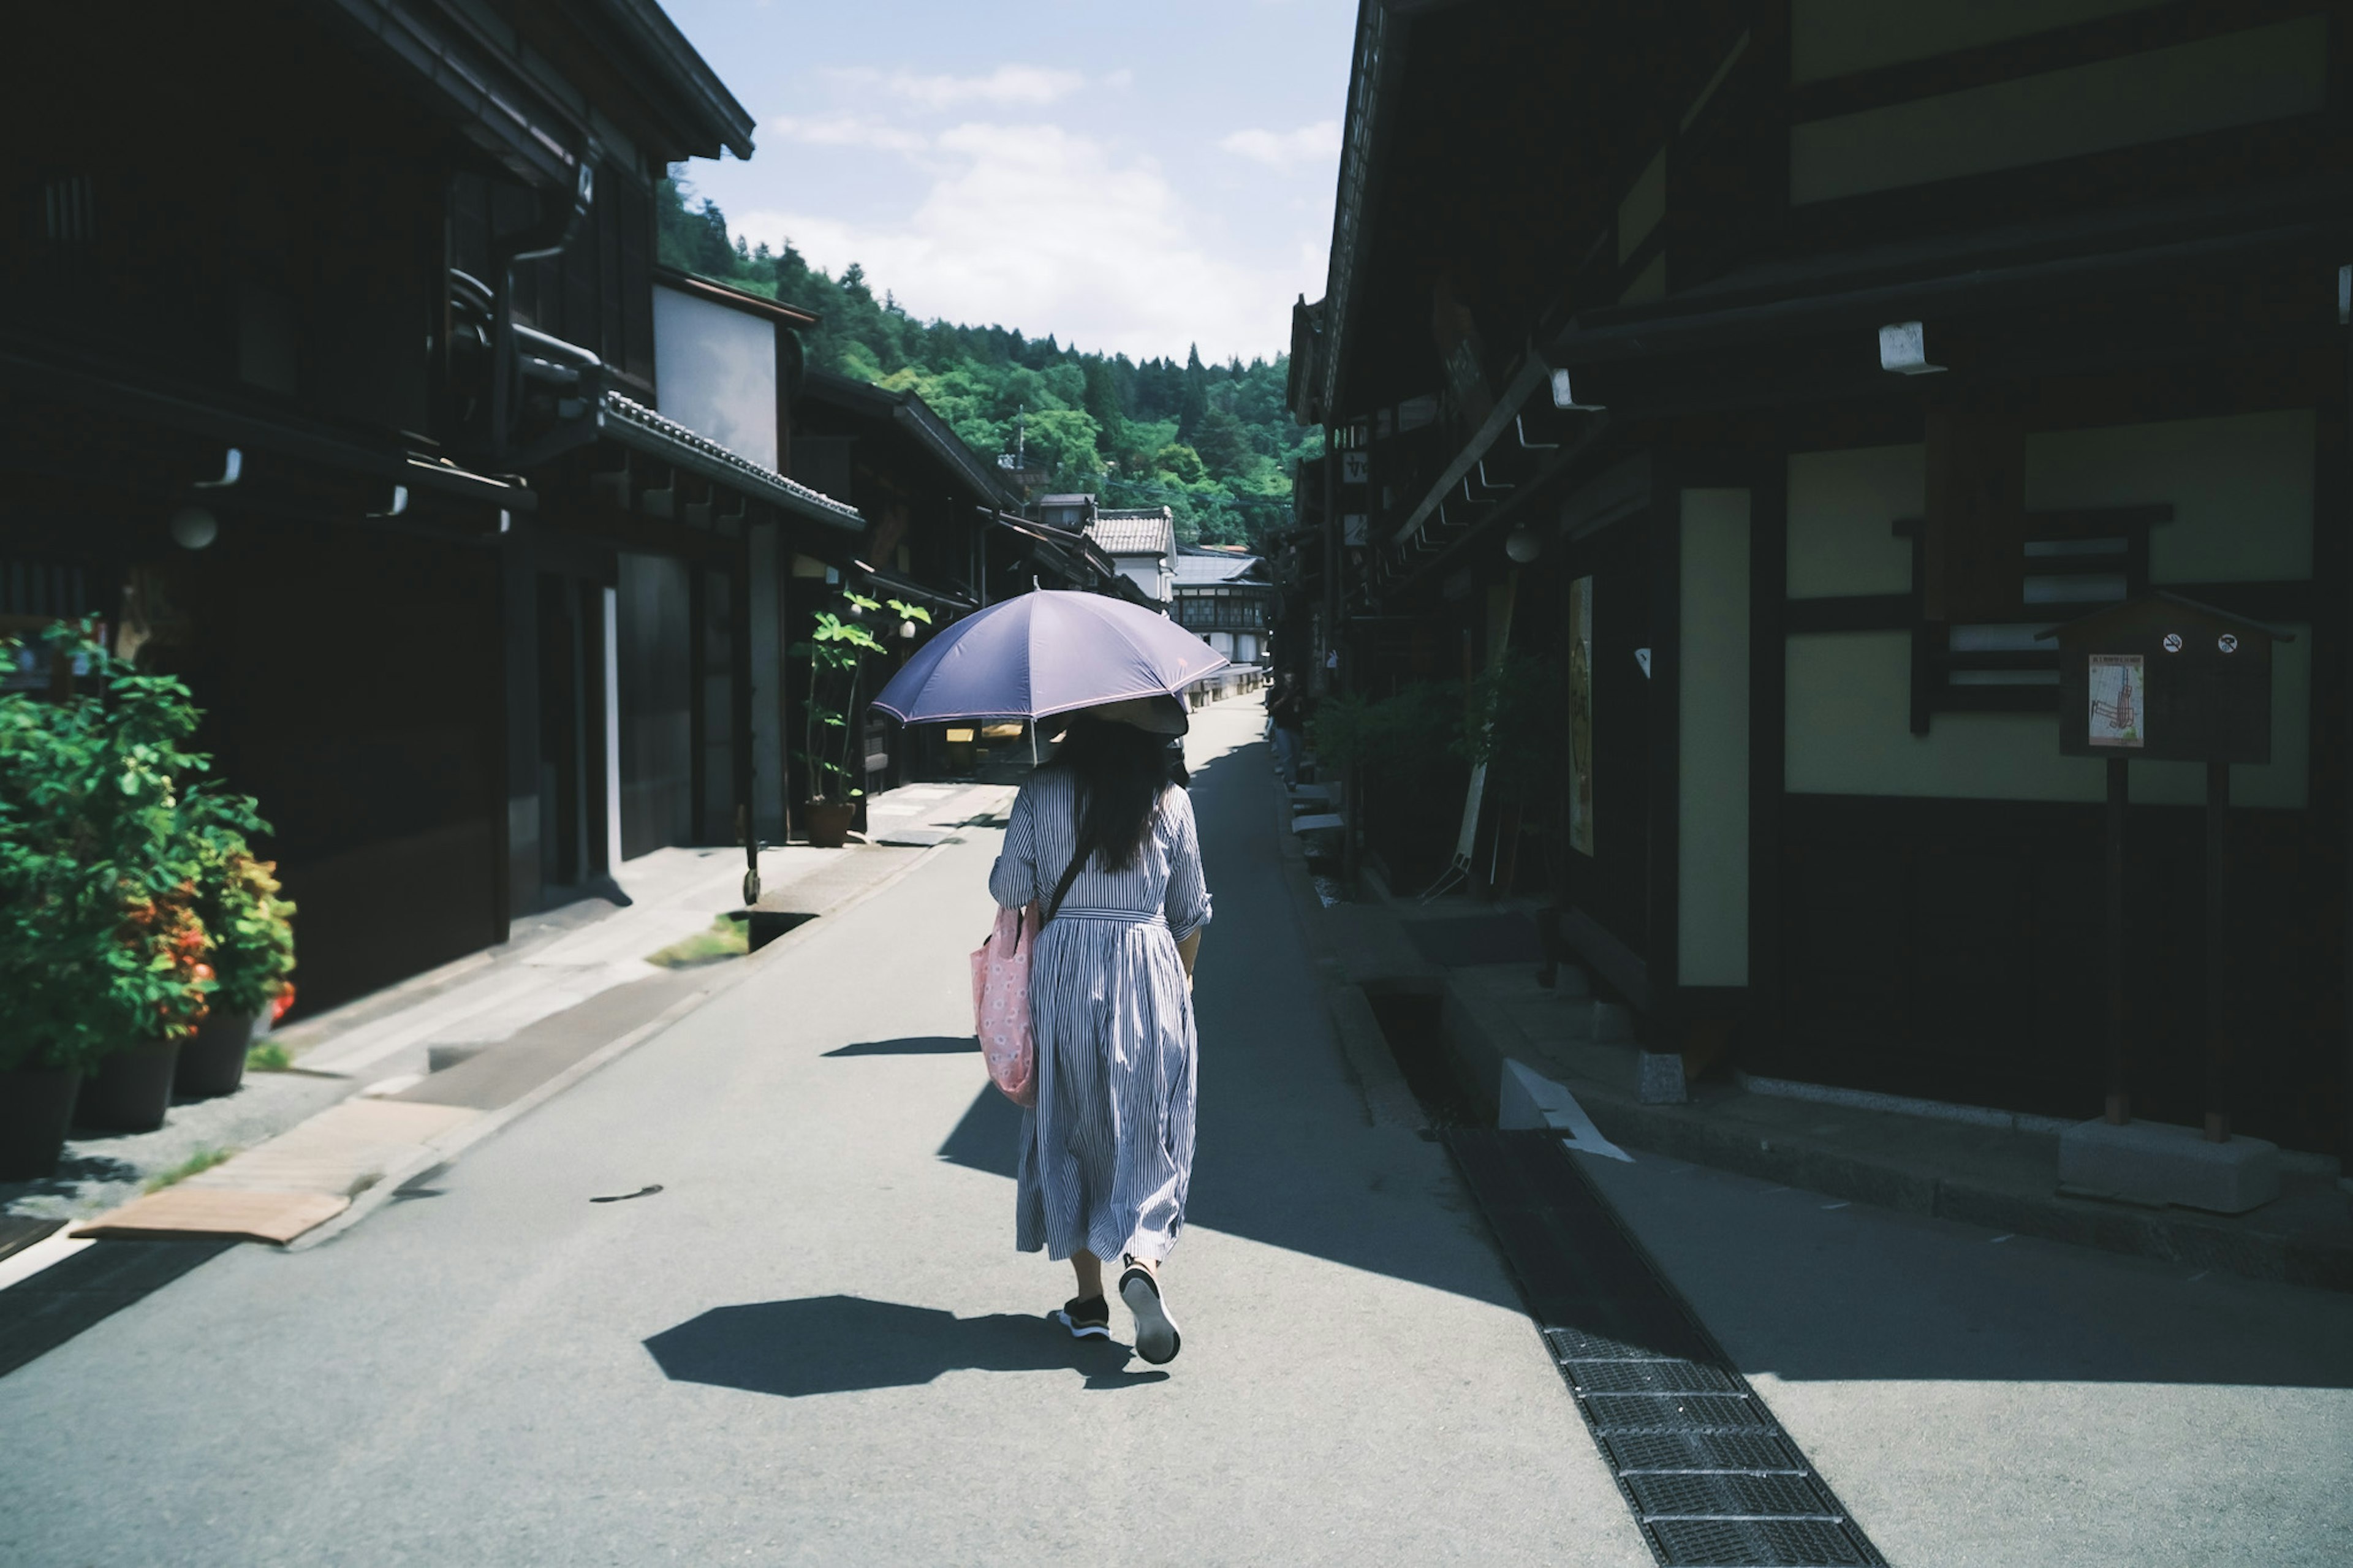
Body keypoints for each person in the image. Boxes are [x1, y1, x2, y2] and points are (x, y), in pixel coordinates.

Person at [989, 694, 1210, 1366]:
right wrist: (1184, 982)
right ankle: (1143, 1259)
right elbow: (1190, 911)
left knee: (1073, 1126)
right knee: (1151, 1126)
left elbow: (1009, 891)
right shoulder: (1169, 800)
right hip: (1149, 964)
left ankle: (1088, 1303)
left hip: (1061, 970)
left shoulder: (1040, 792)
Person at [1268, 676, 1304, 788]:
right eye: (1287, 674)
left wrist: (1299, 703)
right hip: (1282, 726)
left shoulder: (1300, 691)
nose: (1290, 677)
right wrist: (1284, 699)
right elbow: (1271, 709)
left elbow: (1305, 709)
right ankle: (1291, 781)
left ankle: (1290, 777)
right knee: (1287, 755)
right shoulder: (1277, 691)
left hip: (1297, 727)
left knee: (1297, 756)